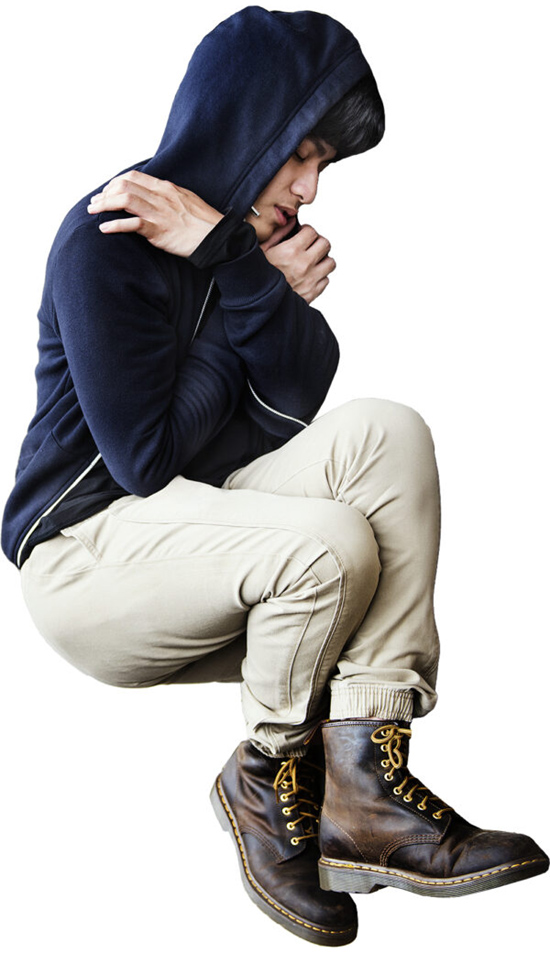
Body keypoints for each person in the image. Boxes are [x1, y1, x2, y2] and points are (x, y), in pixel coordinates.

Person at [2, 5, 547, 947]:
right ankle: (265, 774)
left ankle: (365, 792)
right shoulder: (108, 234)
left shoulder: (245, 250)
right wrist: (240, 272)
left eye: (324, 165)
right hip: (83, 554)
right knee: (329, 544)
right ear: (241, 123)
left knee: (390, 433)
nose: (310, 188)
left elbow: (293, 399)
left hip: (195, 527)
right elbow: (145, 460)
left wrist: (243, 270)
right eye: (300, 154)